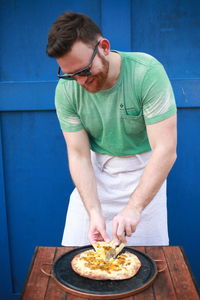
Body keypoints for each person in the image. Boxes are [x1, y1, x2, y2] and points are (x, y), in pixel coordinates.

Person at [46, 11, 177, 247]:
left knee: (150, 263)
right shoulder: (66, 90)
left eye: (84, 71)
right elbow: (78, 154)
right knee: (74, 256)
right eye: (70, 75)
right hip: (96, 175)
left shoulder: (146, 72)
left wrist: (134, 208)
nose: (80, 83)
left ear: (104, 47)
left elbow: (165, 150)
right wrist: (94, 213)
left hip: (145, 172)